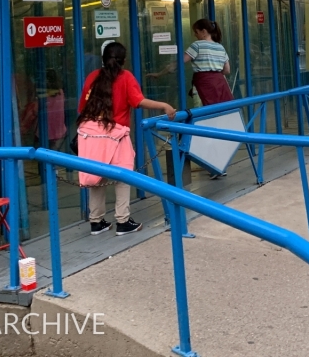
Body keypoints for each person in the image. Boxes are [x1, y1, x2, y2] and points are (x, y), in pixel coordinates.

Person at [76, 42, 176, 236]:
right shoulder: (125, 77)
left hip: (91, 135)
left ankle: (96, 221)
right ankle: (122, 221)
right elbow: (139, 101)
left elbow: (82, 107)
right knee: (123, 176)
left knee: (96, 177)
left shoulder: (92, 76)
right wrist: (164, 105)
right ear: (123, 60)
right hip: (116, 134)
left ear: (103, 58)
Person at [184, 18, 234, 106]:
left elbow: (180, 62)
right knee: (221, 109)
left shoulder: (197, 45)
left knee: (203, 110)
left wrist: (162, 72)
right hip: (220, 84)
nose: (195, 35)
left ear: (204, 31)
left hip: (203, 84)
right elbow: (227, 70)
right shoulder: (220, 47)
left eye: (196, 32)